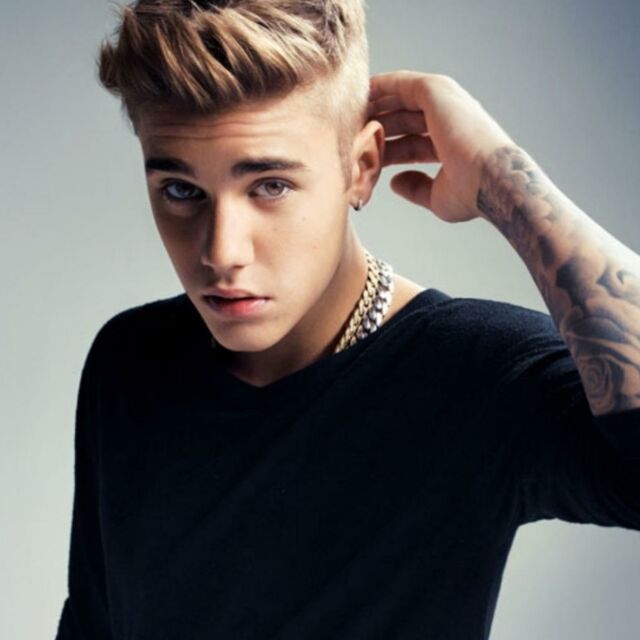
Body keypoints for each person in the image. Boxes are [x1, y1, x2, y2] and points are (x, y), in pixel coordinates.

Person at [55, 1, 640, 638]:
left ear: (361, 168)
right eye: (181, 191)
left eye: (270, 185)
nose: (221, 251)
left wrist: (508, 181)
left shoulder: (476, 377)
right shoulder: (129, 363)